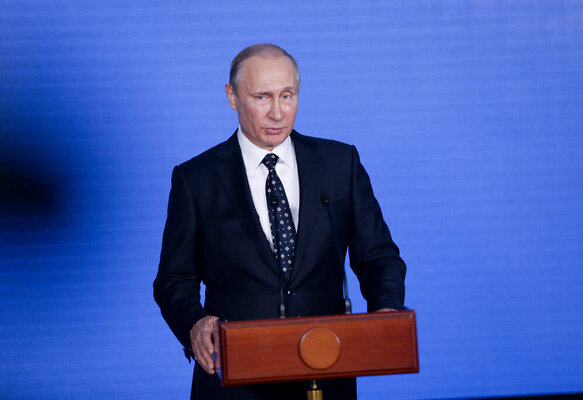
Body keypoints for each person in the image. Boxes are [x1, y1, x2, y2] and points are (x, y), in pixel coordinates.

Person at [153, 43, 406, 400]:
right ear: (232, 96)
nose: (277, 113)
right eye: (262, 97)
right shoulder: (196, 179)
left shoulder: (339, 164)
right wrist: (195, 322)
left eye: (287, 96)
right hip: (234, 380)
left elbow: (379, 256)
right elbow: (173, 279)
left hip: (325, 371)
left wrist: (386, 310)